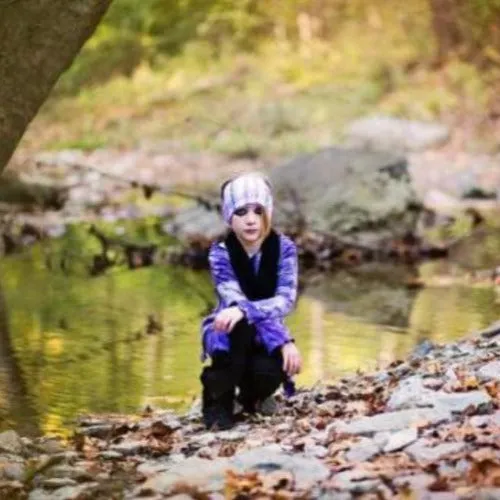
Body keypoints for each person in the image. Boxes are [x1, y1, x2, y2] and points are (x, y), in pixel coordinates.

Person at [200, 172, 302, 430]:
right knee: (239, 326)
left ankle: (250, 398)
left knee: (268, 372)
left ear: (268, 212)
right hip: (229, 333)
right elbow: (234, 300)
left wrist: (282, 343)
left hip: (267, 333)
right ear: (228, 217)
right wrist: (283, 339)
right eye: (241, 212)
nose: (250, 220)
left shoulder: (284, 249)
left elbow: (285, 300)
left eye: (258, 211)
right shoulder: (220, 254)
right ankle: (217, 400)